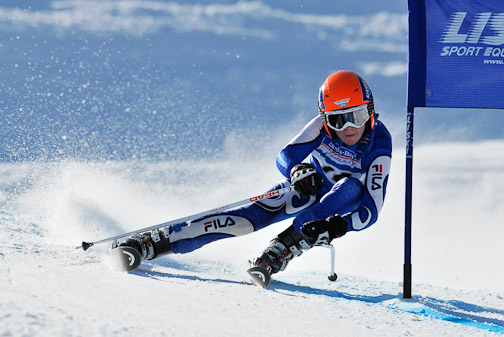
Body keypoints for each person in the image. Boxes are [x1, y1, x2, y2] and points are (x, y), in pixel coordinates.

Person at [111, 70, 392, 288]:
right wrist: (298, 172)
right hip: (309, 187)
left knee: (350, 188)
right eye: (338, 120)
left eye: (356, 115)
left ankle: (280, 251)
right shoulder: (319, 127)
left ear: (369, 110)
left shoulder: (379, 141)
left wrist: (338, 227)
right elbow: (286, 156)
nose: (349, 127)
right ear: (325, 118)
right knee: (244, 220)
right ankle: (152, 243)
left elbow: (372, 207)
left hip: (340, 202)